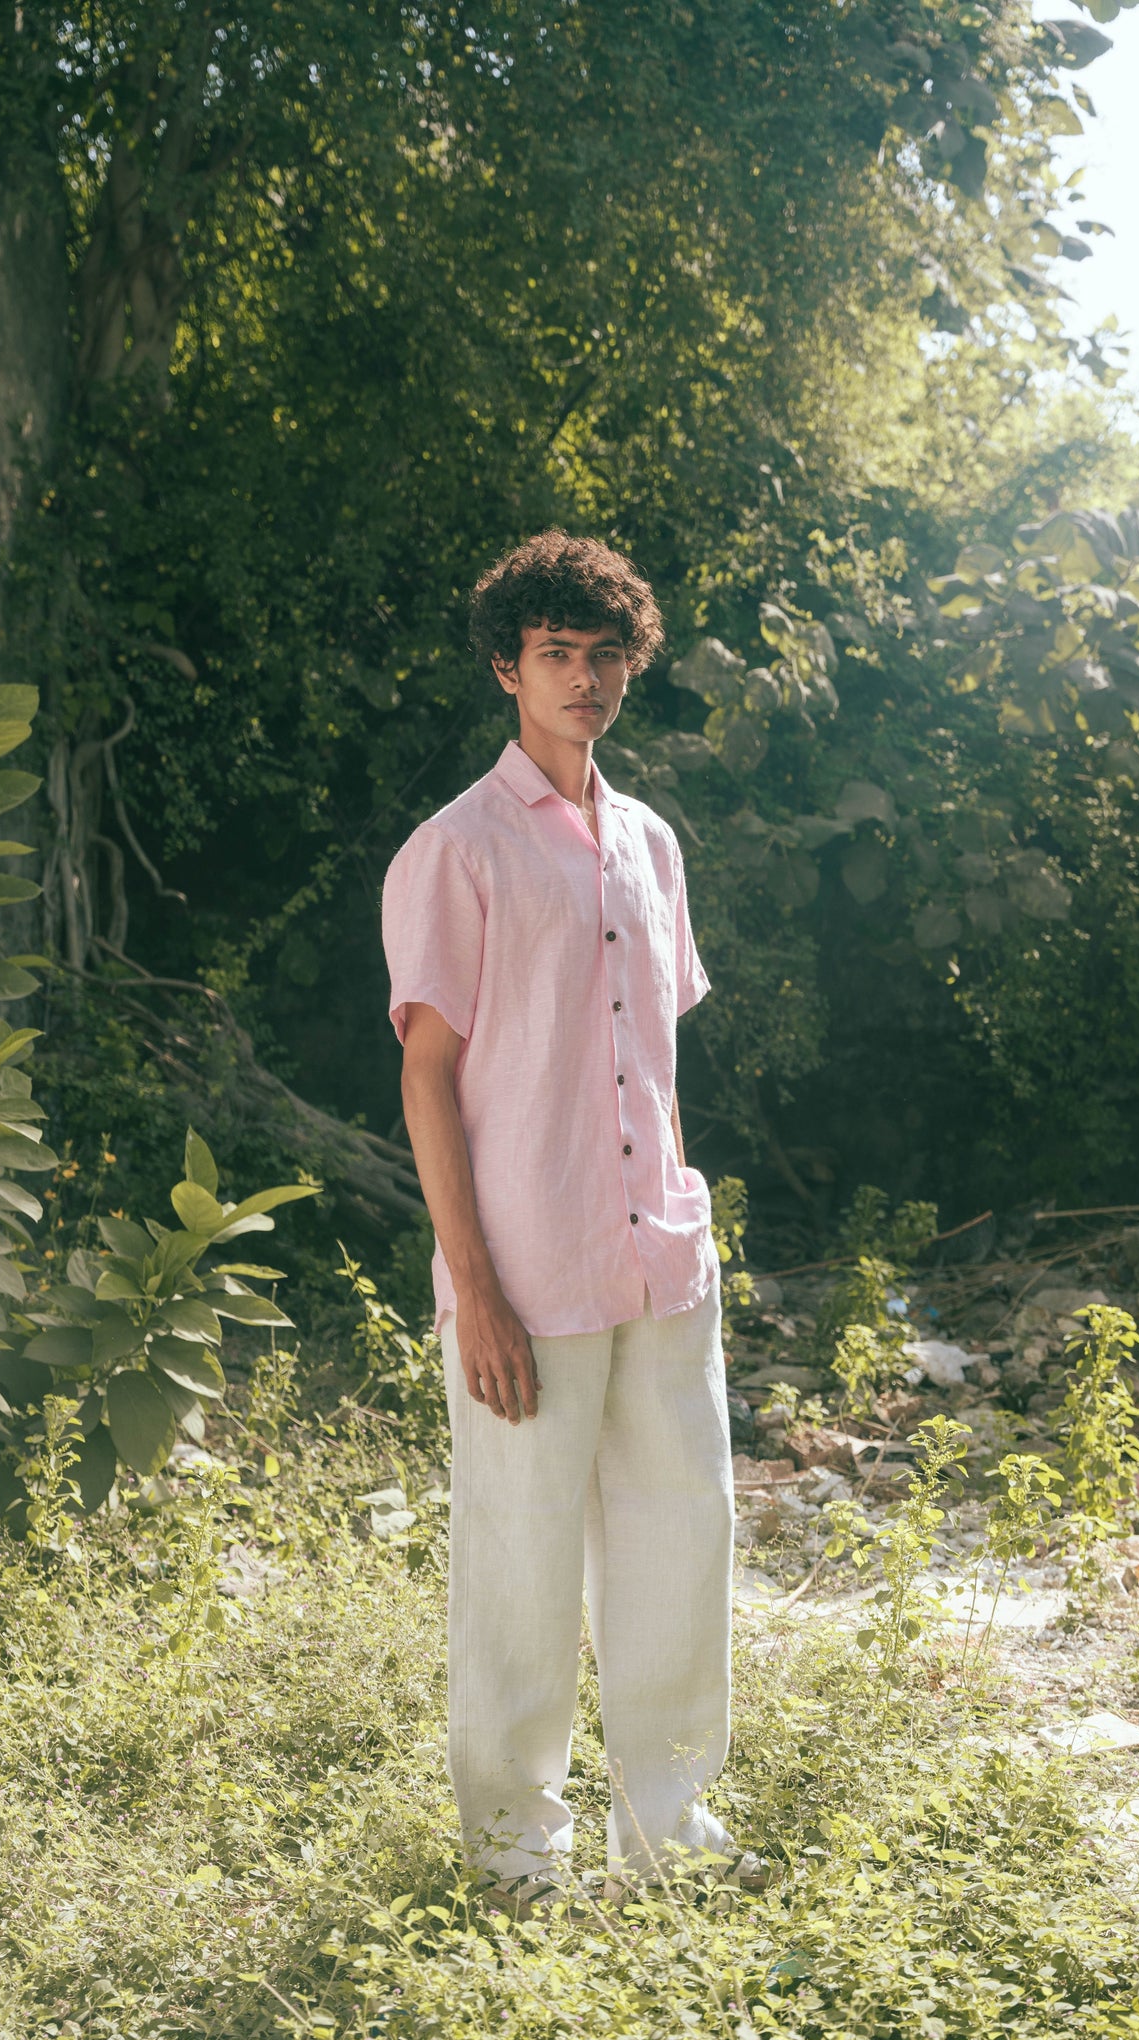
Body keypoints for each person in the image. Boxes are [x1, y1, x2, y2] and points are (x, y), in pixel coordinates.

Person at [380, 530, 766, 1915]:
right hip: (526, 1272)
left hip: (659, 1256)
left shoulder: (651, 843)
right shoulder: (454, 852)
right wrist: (470, 1290)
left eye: (607, 655)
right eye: (558, 655)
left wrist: (677, 1216)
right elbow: (429, 1077)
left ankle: (669, 1836)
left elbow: (642, 1052)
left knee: (681, 1543)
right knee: (519, 1563)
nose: (587, 679)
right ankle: (513, 1861)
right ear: (507, 668)